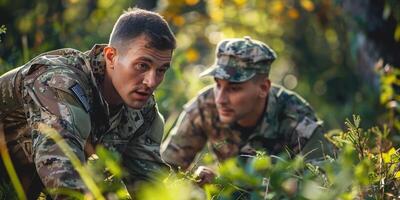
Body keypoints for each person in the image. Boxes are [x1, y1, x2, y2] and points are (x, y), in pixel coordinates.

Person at [0, 8, 176, 199]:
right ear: (111, 57)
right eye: (142, 65)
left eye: (161, 70)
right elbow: (63, 180)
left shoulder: (141, 107)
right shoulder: (59, 82)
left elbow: (150, 186)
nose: (151, 82)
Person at [161, 36, 333, 186]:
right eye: (218, 84)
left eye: (233, 88)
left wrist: (227, 184)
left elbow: (326, 181)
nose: (220, 98)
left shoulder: (294, 115)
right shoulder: (205, 106)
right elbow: (162, 170)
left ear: (263, 88)